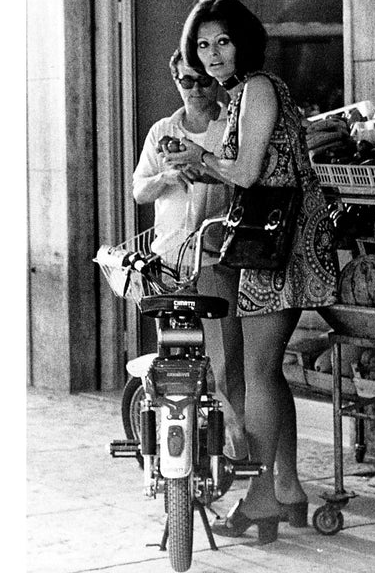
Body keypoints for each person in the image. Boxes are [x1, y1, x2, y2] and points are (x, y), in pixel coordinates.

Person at [168, 0, 338, 543]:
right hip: (271, 239)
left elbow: (247, 171)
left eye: (223, 41)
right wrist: (202, 169)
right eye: (202, 44)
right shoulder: (243, 92)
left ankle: (262, 495)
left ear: (244, 41)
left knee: (260, 372)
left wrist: (201, 161)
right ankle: (287, 487)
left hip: (281, 242)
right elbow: (254, 172)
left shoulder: (259, 87)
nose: (213, 54)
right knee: (268, 372)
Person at [132, 49, 247, 461]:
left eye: (202, 80)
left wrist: (208, 169)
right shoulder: (162, 130)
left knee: (224, 358)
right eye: (186, 81)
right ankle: (180, 448)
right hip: (169, 259)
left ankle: (234, 447)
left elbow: (246, 180)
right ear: (175, 82)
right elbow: (138, 190)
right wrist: (167, 175)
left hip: (216, 258)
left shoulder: (230, 125)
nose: (196, 90)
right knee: (174, 357)